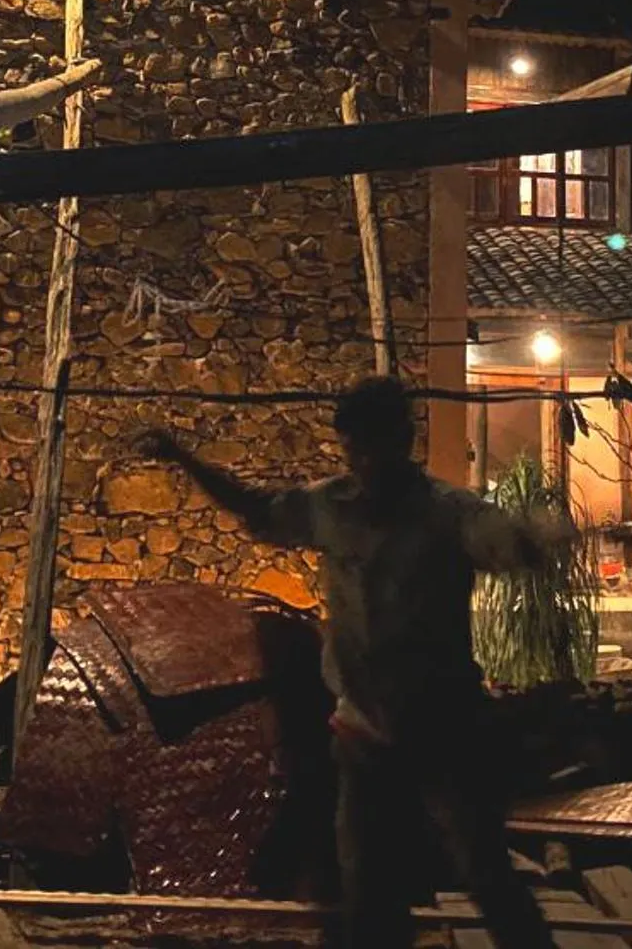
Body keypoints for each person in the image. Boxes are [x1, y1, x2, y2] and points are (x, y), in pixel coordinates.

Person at [137, 376, 571, 949]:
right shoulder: (330, 508)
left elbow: (504, 541)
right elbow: (256, 508)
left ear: (402, 441)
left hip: (443, 728)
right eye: (352, 449)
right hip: (364, 733)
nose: (363, 462)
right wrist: (183, 459)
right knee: (366, 885)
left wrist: (537, 538)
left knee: (485, 871)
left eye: (372, 447)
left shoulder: (447, 514)